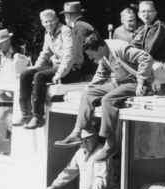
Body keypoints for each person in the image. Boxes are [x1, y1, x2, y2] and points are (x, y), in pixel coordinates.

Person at [55, 33, 152, 162]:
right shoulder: (103, 53)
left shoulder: (119, 48)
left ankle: (110, 143)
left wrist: (141, 81)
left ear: (100, 49)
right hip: (118, 83)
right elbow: (101, 74)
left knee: (107, 99)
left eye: (91, 54)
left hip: (136, 83)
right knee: (88, 94)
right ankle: (77, 132)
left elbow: (146, 57)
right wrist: (89, 87)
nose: (90, 58)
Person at [12, 9, 80, 129]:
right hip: (57, 66)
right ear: (42, 23)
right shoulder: (48, 33)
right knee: (25, 74)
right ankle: (25, 114)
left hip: (72, 69)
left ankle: (38, 117)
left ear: (56, 20)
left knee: (40, 76)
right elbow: (45, 53)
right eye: (45, 22)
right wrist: (34, 69)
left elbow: (69, 56)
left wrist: (60, 74)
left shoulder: (66, 31)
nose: (48, 24)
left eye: (50, 21)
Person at [45, 131, 116, 189]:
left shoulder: (101, 152)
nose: (83, 142)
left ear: (95, 138)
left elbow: (100, 177)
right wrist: (53, 186)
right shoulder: (80, 152)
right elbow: (69, 171)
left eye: (87, 138)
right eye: (81, 139)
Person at [133, 0, 165, 94]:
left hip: (164, 68)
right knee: (127, 59)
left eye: (149, 11)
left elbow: (148, 51)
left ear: (155, 13)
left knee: (145, 63)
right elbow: (132, 47)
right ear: (138, 14)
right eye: (143, 11)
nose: (146, 14)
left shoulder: (159, 27)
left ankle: (146, 85)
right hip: (154, 66)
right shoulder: (142, 29)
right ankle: (146, 85)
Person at [60, 1, 95, 75]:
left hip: (88, 71)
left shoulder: (78, 27)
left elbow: (87, 51)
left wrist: (88, 73)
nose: (65, 18)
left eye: (65, 15)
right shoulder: (83, 24)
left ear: (69, 15)